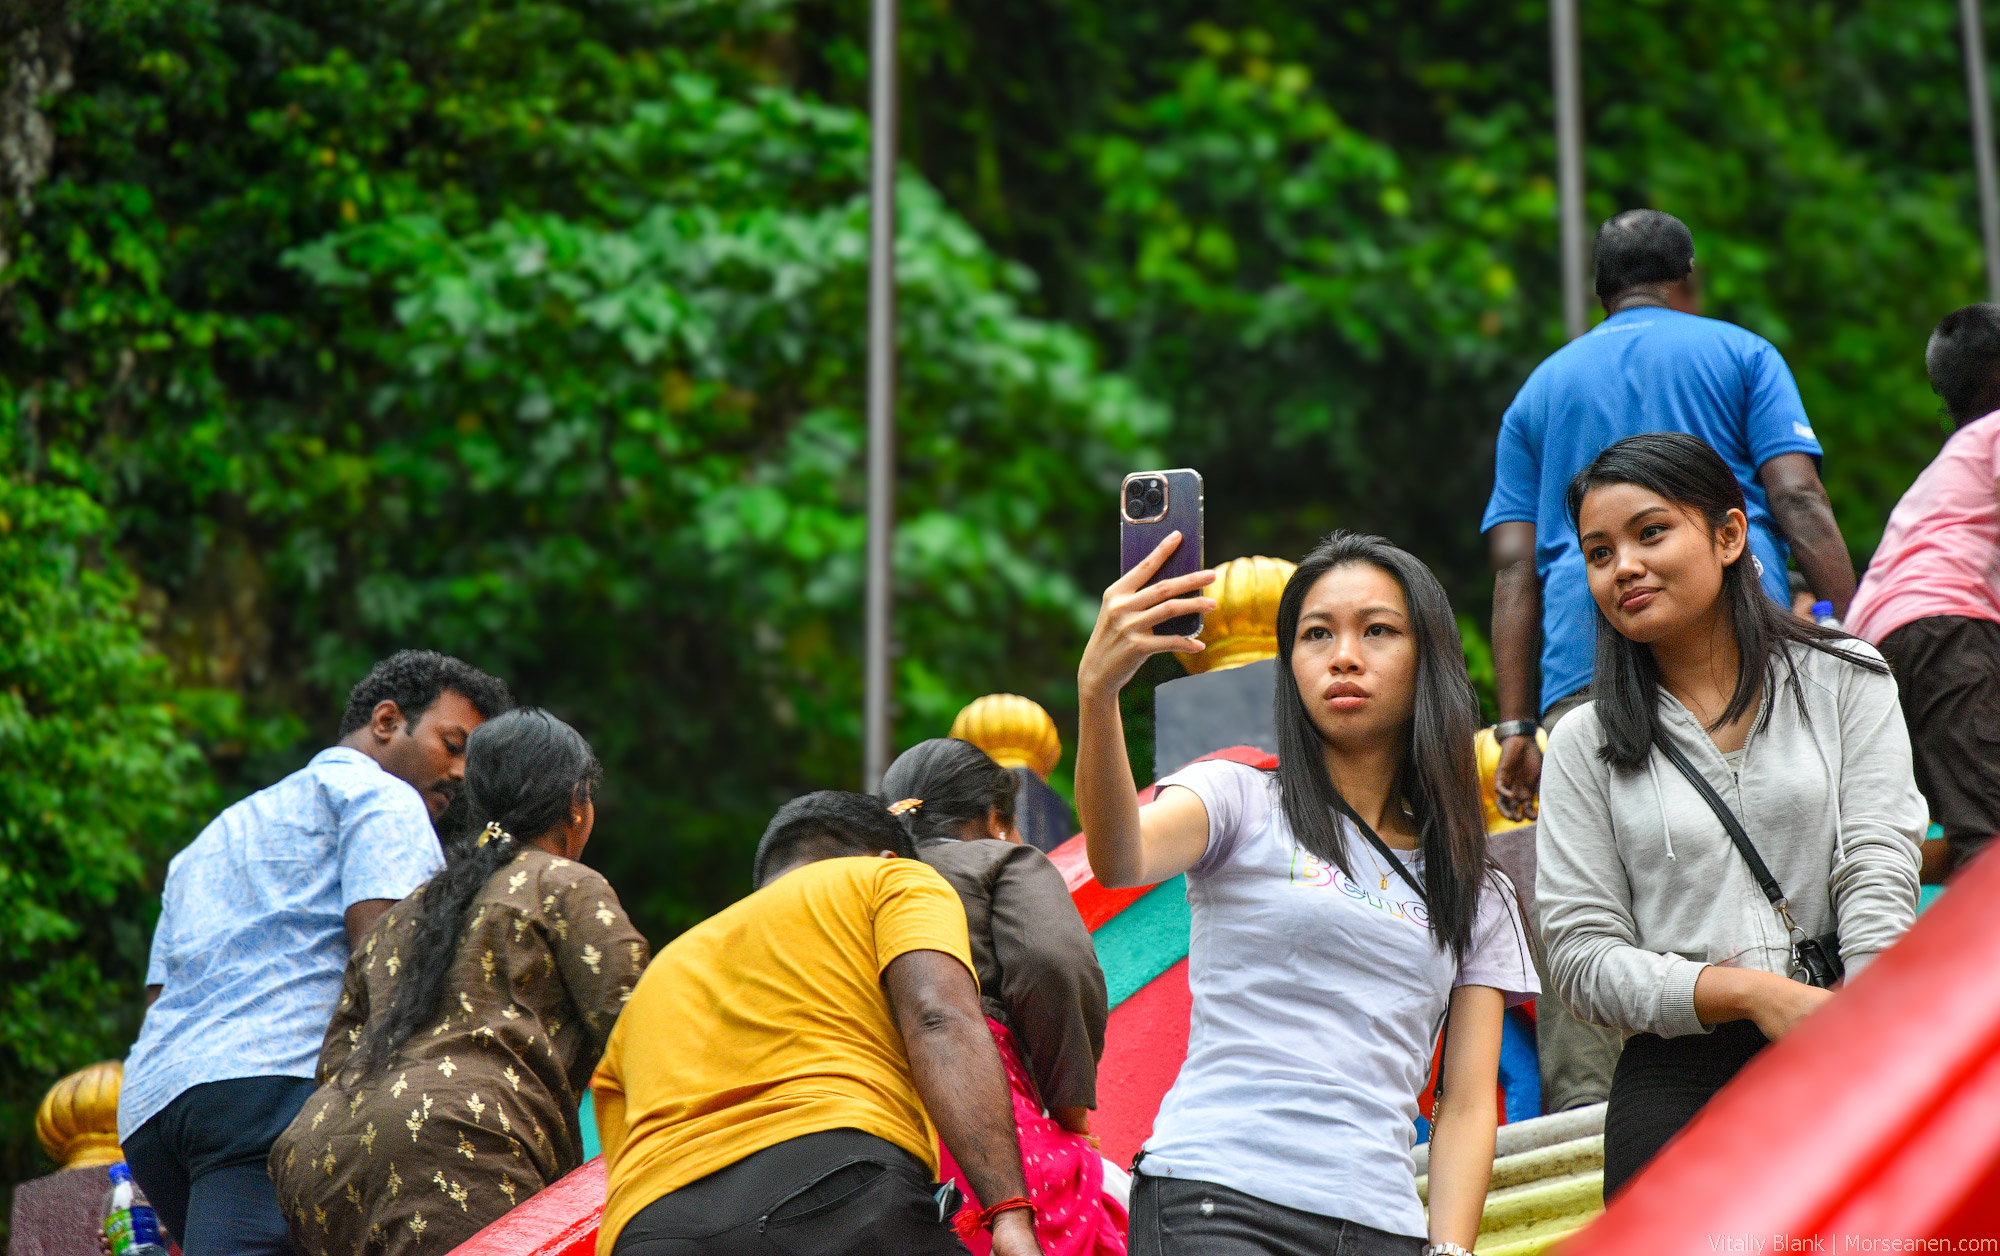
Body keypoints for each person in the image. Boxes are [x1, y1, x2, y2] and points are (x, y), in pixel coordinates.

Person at [1481, 208, 1856, 1111]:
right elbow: (1796, 497)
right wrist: (1850, 622)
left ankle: (1585, 1116)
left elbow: (1514, 568)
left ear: (1600, 293)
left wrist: (1517, 722)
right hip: (1747, 646)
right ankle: (1823, 1033)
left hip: (1588, 665)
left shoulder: (1539, 390)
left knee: (1593, 889)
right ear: (1686, 279)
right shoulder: (1740, 354)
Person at [1076, 530, 1537, 1256]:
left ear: (1430, 662)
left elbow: (1469, 1102)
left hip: (1380, 1225)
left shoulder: (1476, 887)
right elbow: (1118, 856)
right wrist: (1099, 695)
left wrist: (1450, 1248)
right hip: (1215, 1199)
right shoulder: (1238, 799)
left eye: (1377, 631)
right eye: (1317, 634)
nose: (1343, 655)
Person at [1536, 433, 1924, 1197]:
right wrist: (1750, 992)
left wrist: (1870, 1025)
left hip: (1849, 1035)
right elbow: (1580, 955)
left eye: (1650, 533)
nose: (1625, 567)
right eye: (1599, 552)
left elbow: (1879, 860)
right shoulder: (1585, 742)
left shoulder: (1846, 676)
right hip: (1677, 1078)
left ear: (1728, 535)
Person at [118, 650, 512, 1256]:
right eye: (452, 743)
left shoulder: (212, 837)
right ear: (386, 721)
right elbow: (390, 960)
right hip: (275, 1091)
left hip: (156, 1111)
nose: (461, 773)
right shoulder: (381, 797)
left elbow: (157, 998)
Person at [591, 791, 1046, 1256]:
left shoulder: (659, 976)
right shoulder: (889, 879)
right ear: (886, 856)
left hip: (650, 1229)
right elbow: (937, 1017)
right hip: (831, 1188)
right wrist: (1008, 1213)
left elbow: (619, 1146)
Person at [268, 708, 648, 1254]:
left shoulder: (401, 917)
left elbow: (334, 1064)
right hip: (454, 1139)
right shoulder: (565, 883)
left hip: (318, 1158)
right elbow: (640, 1023)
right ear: (577, 806)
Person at [881, 739, 1123, 1256]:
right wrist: (1070, 1111)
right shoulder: (1000, 860)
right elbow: (1055, 964)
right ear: (995, 818)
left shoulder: (857, 885)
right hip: (982, 1105)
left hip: (866, 1117)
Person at [1845, 304, 2000, 876]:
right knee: (1990, 835)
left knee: (1959, 831)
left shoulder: (1948, 462)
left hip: (1877, 654)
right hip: (1945, 632)